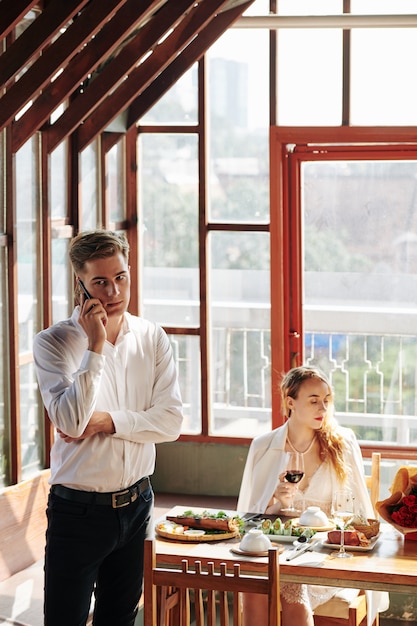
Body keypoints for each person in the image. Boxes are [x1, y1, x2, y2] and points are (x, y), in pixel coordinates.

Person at [33, 230, 183, 626]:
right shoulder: (53, 343)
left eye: (121, 277)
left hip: (137, 506)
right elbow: (70, 421)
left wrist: (108, 421)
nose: (114, 290)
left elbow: (171, 422)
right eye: (100, 281)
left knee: (119, 620)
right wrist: (94, 345)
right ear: (80, 283)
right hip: (78, 511)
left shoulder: (151, 337)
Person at [237, 365, 388, 626]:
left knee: (290, 584)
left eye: (326, 400)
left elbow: (360, 516)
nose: (323, 408)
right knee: (255, 585)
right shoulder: (263, 447)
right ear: (290, 402)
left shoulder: (342, 443)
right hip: (281, 554)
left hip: (329, 555)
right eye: (314, 400)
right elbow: (249, 520)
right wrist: (278, 505)